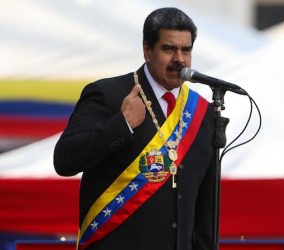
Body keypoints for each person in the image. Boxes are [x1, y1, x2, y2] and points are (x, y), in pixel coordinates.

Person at [54, 7, 216, 250]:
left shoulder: (203, 112)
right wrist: (123, 124)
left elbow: (206, 207)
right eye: (169, 49)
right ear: (147, 50)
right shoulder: (107, 95)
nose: (179, 59)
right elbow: (64, 160)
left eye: (186, 50)